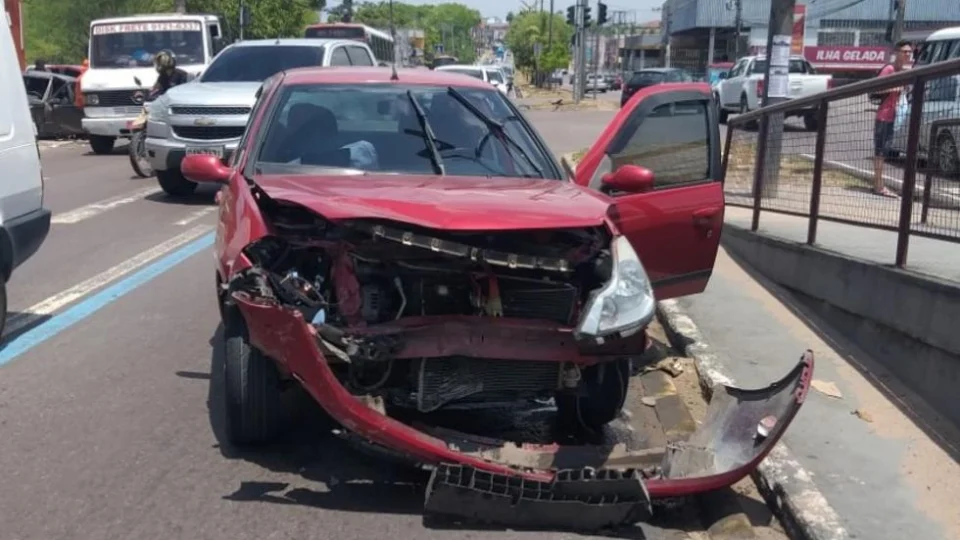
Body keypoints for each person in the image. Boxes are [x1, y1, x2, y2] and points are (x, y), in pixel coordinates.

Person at [872, 40, 912, 198]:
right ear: (897, 53)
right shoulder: (889, 69)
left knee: (884, 152)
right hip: (883, 116)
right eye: (905, 51)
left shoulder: (902, 71)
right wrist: (896, 88)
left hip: (894, 116)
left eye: (909, 52)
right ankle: (878, 185)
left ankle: (879, 183)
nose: (907, 54)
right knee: (880, 152)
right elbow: (876, 88)